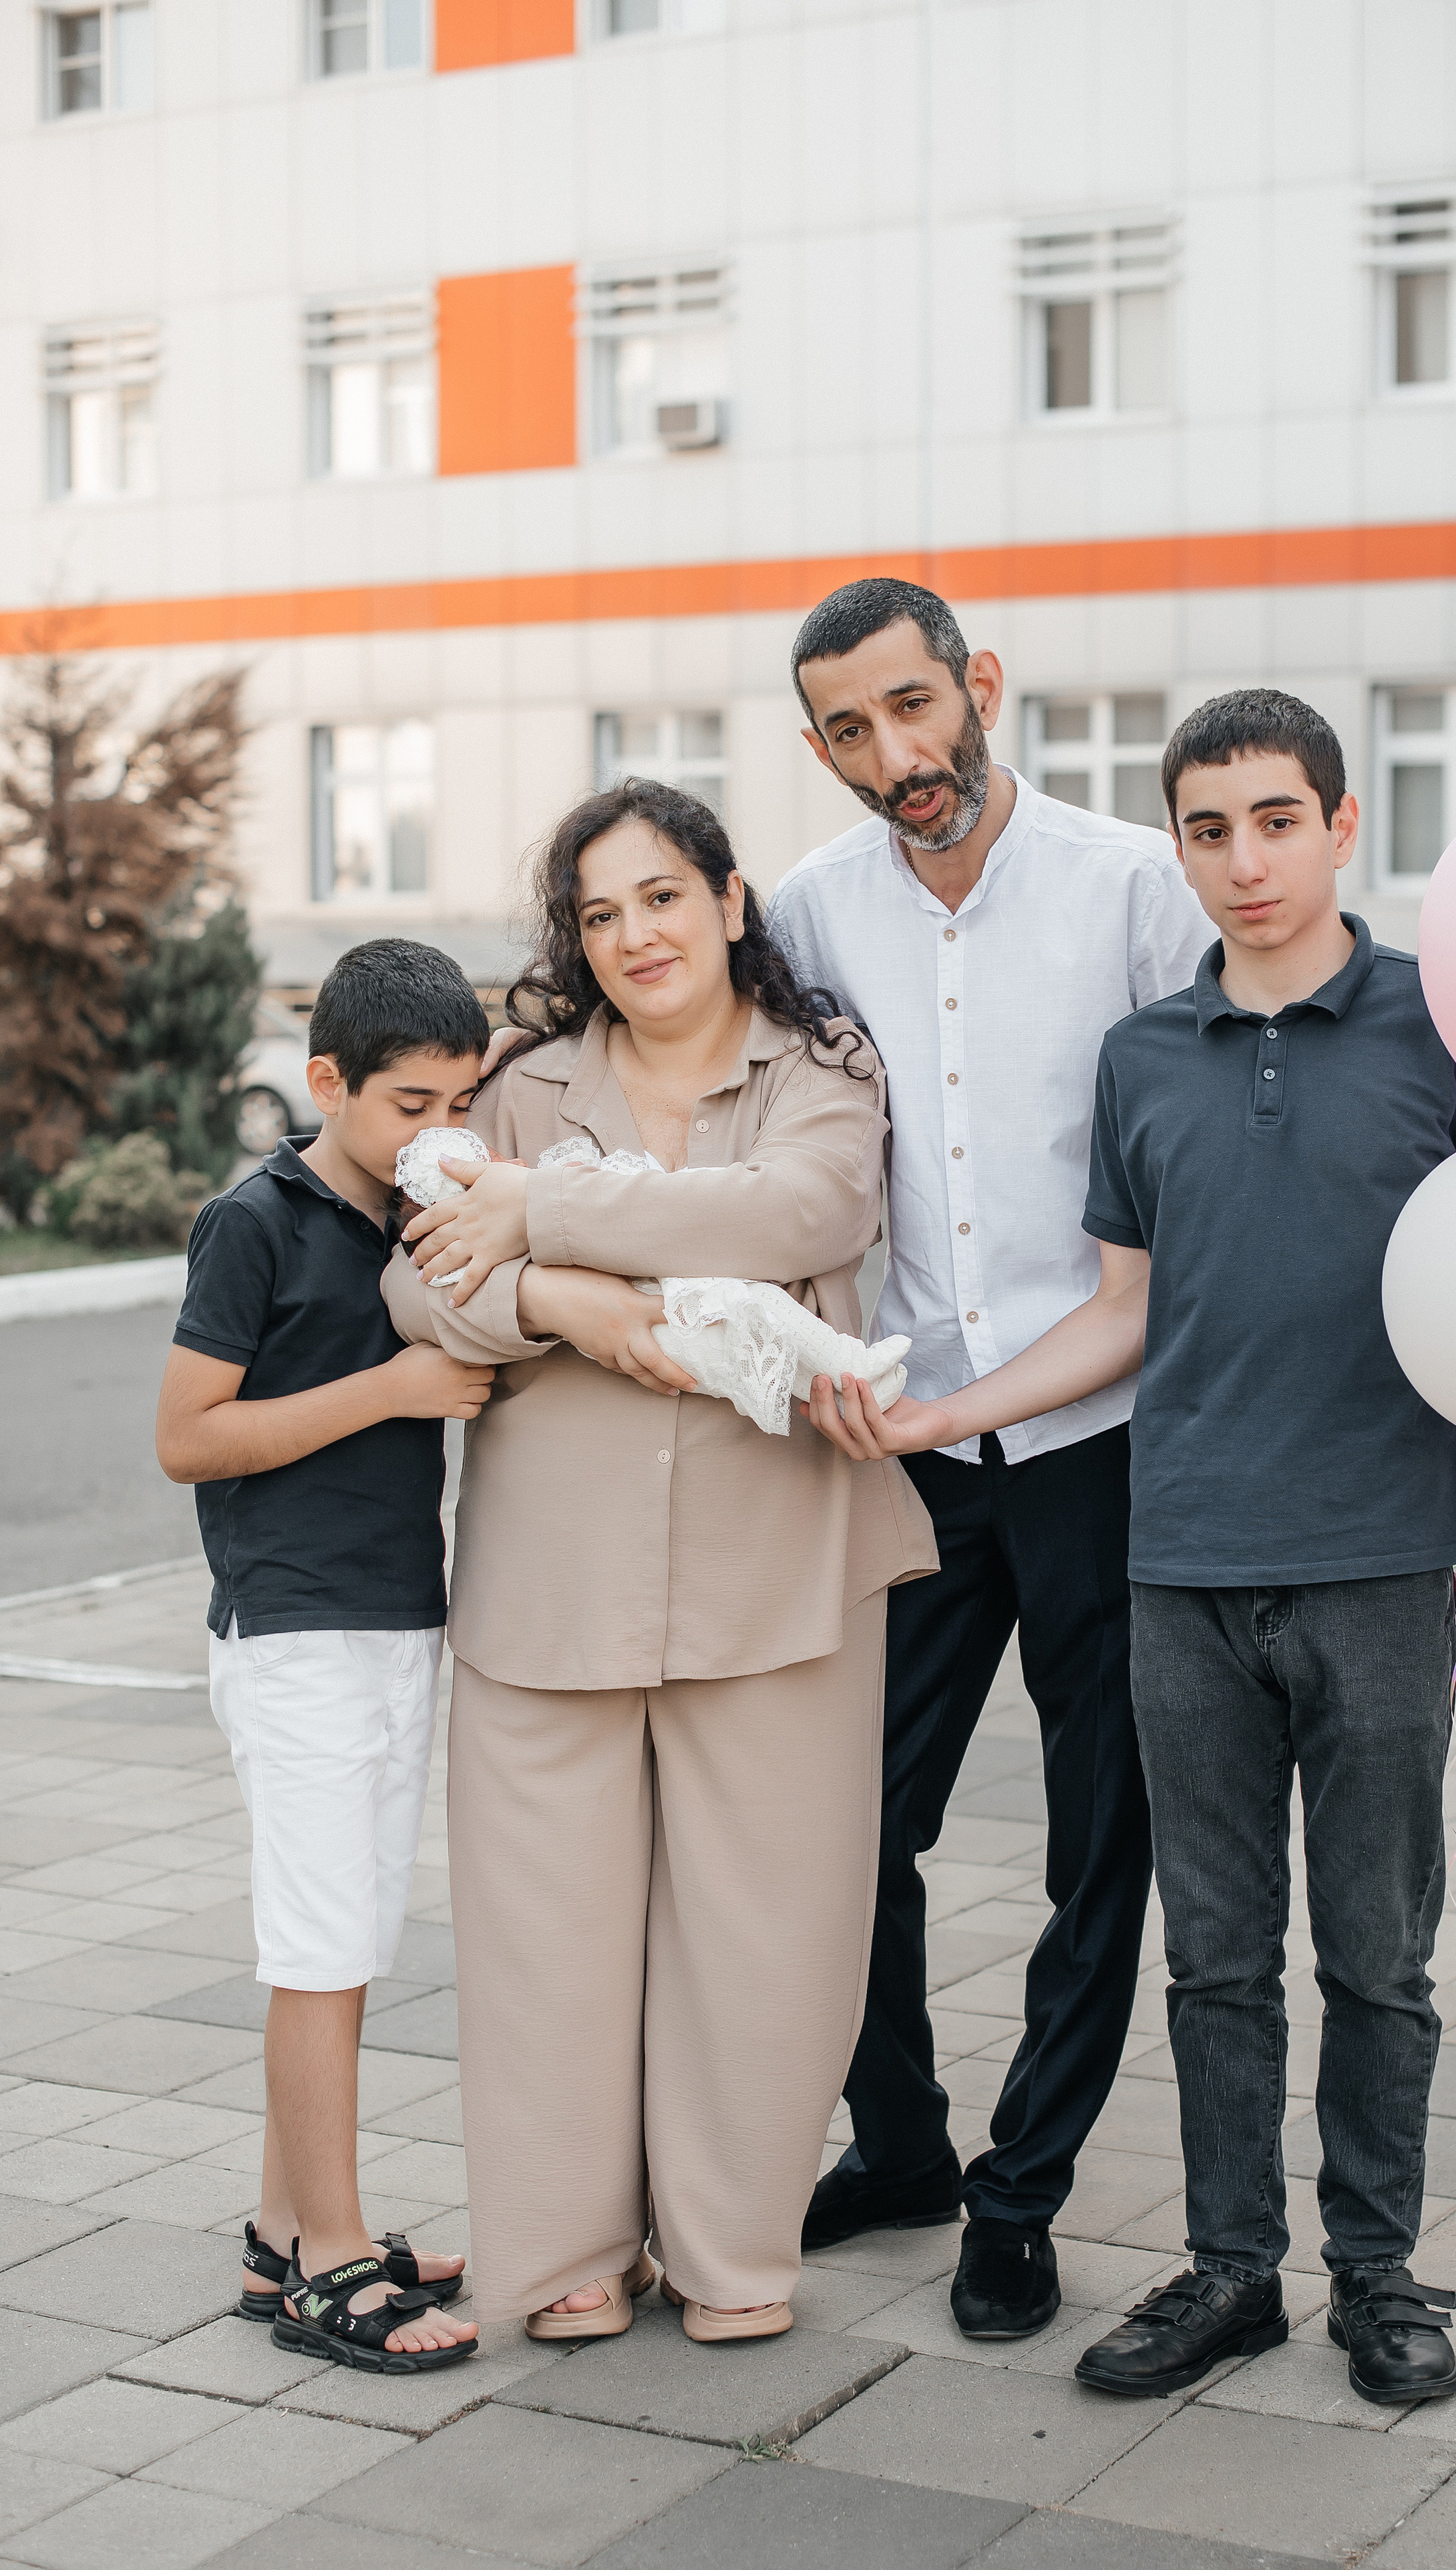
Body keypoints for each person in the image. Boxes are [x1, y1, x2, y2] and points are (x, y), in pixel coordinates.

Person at [806, 686, 1456, 2408]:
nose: (1242, 859)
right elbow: (1118, 1315)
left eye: (1276, 819)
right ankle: (1226, 2272)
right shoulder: (1142, 1055)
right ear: (1176, 846)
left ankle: (1378, 2277)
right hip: (1178, 1559)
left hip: (1374, 1559)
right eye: (1206, 828)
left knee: (1375, 1956)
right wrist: (933, 1414)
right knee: (1212, 1959)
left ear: (1341, 825)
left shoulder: (1445, 1029)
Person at [386, 778, 937, 2343]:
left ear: (729, 900)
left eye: (662, 897)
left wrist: (544, 1218)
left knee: (771, 1924)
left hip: (781, 1567)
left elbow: (796, 1213)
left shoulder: (820, 1068)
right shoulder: (518, 1084)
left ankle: (731, 2247)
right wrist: (570, 1308)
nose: (634, 934)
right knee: (542, 1923)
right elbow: (417, 1287)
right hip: (546, 1575)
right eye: (599, 910)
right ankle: (566, 2243)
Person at [767, 578, 1212, 2340]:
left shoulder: (1137, 892)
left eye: (915, 709)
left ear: (981, 688)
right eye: (854, 732)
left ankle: (1018, 2196)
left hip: (1109, 1439)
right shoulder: (805, 914)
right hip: (912, 1442)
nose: (898, 756)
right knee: (846, 1825)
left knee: (1105, 1844)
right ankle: (900, 2141)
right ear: (820, 750)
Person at [156, 939, 494, 2374]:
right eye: (406, 1103)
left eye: (456, 1103)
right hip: (296, 1631)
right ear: (325, 1083)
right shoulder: (256, 1219)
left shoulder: (410, 1221)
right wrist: (396, 1388)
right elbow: (189, 1437)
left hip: (387, 1615)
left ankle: (280, 2229)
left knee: (345, 1935)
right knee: (321, 1951)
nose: (437, 1133)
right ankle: (332, 2270)